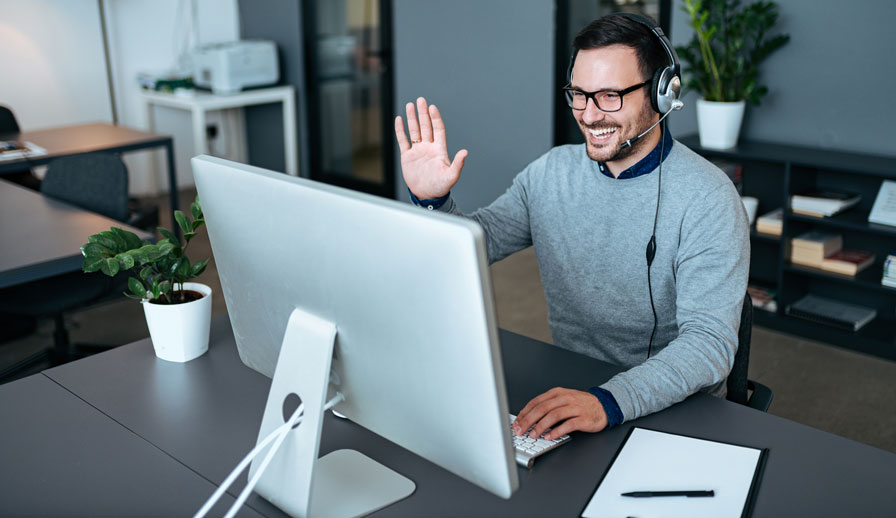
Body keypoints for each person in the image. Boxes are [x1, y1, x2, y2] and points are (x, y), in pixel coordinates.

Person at [394, 14, 749, 441]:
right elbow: (474, 244)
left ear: (661, 93)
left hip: (674, 406)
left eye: (610, 96)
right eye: (579, 94)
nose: (590, 114)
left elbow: (708, 345)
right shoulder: (550, 174)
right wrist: (432, 201)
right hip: (571, 387)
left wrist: (607, 401)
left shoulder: (708, 197)